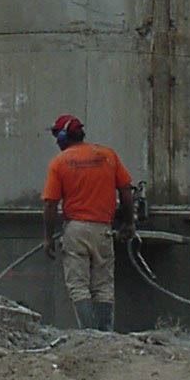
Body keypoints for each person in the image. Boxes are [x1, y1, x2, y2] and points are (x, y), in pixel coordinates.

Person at [42, 114, 135, 331]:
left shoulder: (59, 162)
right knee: (103, 284)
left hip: (75, 229)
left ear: (64, 136)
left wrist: (48, 237)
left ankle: (89, 334)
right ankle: (105, 335)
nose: (56, 140)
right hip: (103, 228)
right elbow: (126, 191)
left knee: (78, 285)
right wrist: (128, 223)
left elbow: (50, 204)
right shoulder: (107, 155)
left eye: (57, 134)